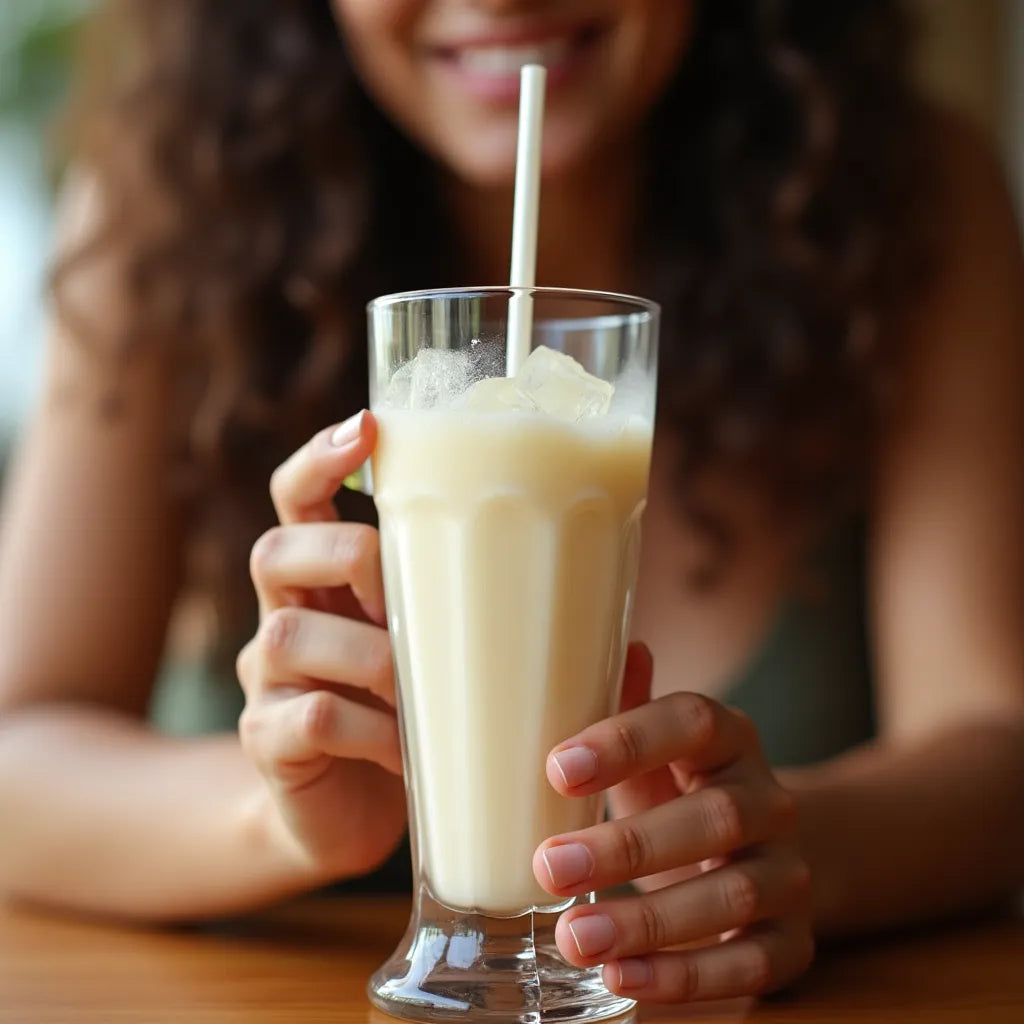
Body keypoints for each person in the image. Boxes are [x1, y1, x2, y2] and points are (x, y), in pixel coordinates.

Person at [0, 0, 1021, 1005]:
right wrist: (272, 814)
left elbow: (998, 750)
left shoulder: (904, 202)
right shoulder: (175, 203)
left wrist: (788, 847)